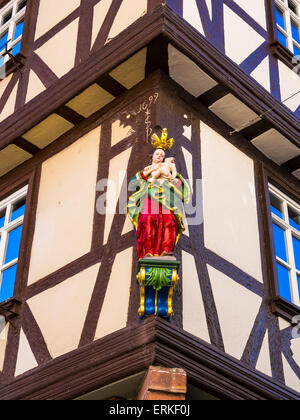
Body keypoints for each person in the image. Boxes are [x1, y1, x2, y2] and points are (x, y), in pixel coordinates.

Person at [127, 148, 190, 260]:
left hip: (167, 201)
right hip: (150, 200)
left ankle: (166, 250)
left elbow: (179, 183)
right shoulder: (147, 171)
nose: (160, 156)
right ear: (152, 156)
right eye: (157, 154)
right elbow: (133, 184)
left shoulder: (167, 169)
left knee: (169, 222)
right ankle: (149, 251)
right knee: (149, 221)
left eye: (162, 155)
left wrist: (172, 179)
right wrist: (149, 172)